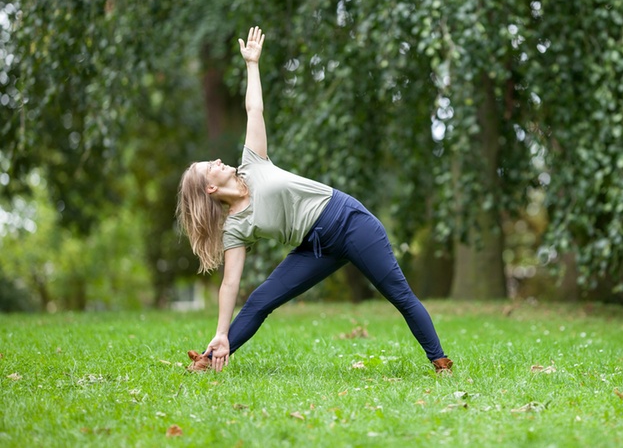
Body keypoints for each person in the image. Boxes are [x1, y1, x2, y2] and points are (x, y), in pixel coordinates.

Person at [176, 26, 453, 374]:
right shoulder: (236, 226)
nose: (216, 161)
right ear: (210, 189)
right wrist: (220, 330)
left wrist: (252, 65)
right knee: (260, 300)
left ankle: (440, 362)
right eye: (209, 167)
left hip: (349, 221)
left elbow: (254, 110)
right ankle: (208, 358)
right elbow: (230, 282)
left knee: (399, 295)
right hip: (315, 247)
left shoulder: (253, 163)